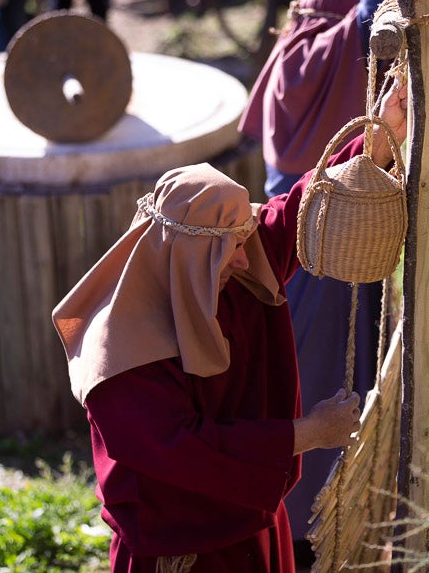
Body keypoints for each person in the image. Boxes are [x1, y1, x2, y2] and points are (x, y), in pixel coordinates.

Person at [52, 79, 408, 572]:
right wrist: (304, 434)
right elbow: (186, 451)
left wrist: (376, 141)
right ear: (189, 261)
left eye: (243, 238)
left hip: (252, 528)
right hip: (184, 552)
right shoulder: (121, 360)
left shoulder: (222, 270)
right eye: (230, 249)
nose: (246, 259)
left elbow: (296, 210)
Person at [236, 0, 429, 565]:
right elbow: (376, 9)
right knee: (320, 391)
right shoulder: (315, 59)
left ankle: (331, 523)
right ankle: (315, 533)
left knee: (333, 389)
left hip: (317, 244)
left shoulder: (297, 64)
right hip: (317, 252)